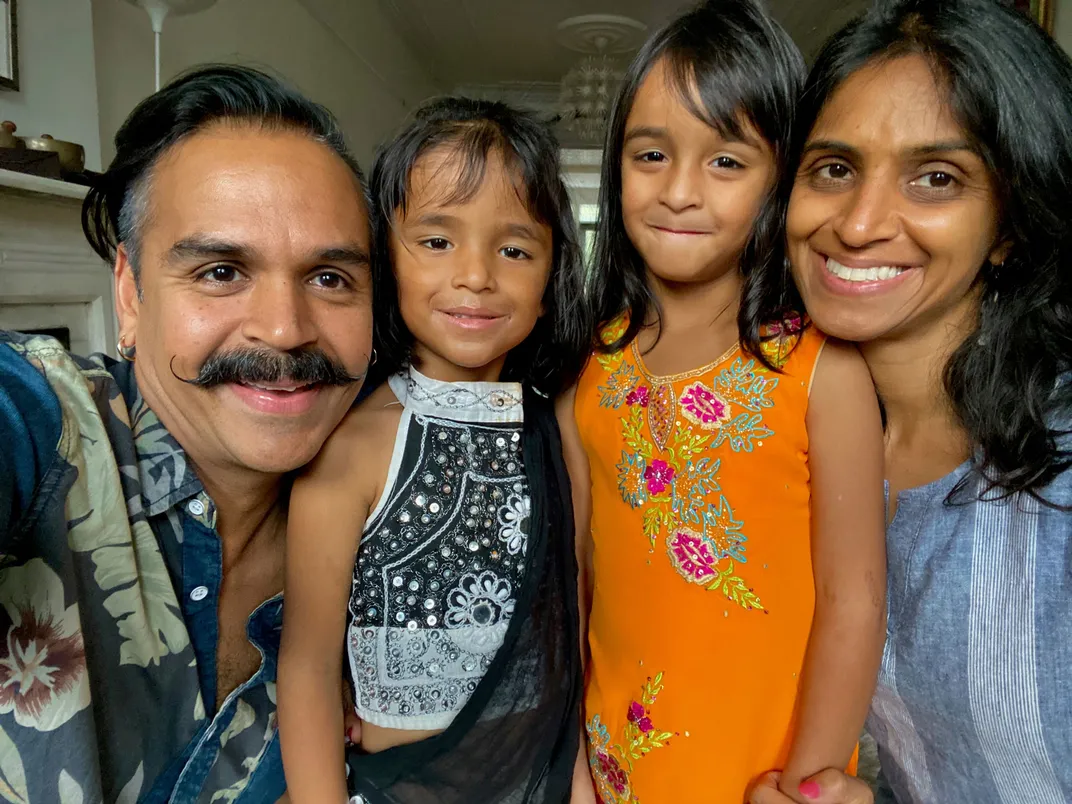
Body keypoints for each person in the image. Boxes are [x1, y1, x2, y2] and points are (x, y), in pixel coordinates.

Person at [0, 65, 374, 802]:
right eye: (221, 270)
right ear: (130, 295)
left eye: (330, 278)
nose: (286, 329)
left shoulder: (385, 520)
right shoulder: (49, 428)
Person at [559, 1, 887, 802]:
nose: (678, 191)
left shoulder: (822, 369)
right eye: (650, 154)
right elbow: (577, 586)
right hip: (614, 767)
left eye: (726, 162)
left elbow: (855, 601)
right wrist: (571, 759)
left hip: (764, 774)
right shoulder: (588, 373)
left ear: (783, 176)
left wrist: (808, 782)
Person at [768, 0, 1072, 802]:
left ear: (1009, 222)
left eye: (937, 178)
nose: (860, 224)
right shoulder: (790, 449)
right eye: (833, 168)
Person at [278, 97, 588, 804]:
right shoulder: (350, 447)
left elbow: (576, 622)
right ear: (384, 255)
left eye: (514, 249)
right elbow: (307, 668)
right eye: (438, 241)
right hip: (399, 787)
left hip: (536, 776)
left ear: (550, 278)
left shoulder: (562, 426)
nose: (476, 275)